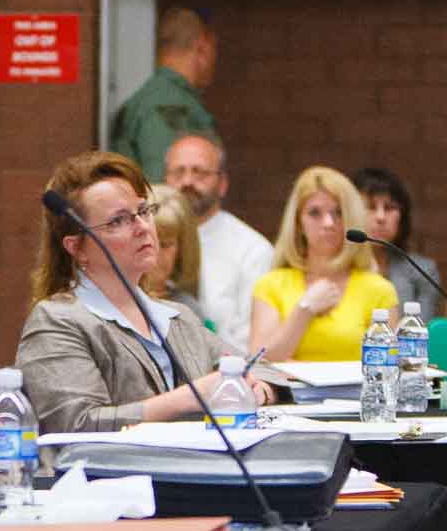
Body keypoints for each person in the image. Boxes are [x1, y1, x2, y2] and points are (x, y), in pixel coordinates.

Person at [16, 153, 270, 435]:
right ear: (76, 247)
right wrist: (190, 397)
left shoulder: (176, 317)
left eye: (143, 211)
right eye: (118, 221)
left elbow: (262, 370)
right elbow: (76, 425)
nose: (142, 227)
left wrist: (257, 393)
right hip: (104, 477)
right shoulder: (56, 321)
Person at [249, 166, 399, 362]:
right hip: (287, 393)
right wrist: (305, 309)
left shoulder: (379, 289)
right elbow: (259, 361)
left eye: (338, 212)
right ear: (298, 223)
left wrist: (300, 367)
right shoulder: (270, 285)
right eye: (314, 213)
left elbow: (388, 366)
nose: (328, 222)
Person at [163, 132, 272, 350]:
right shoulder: (144, 240)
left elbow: (253, 346)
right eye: (178, 172)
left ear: (222, 184)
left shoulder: (253, 250)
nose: (187, 181)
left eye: (199, 172)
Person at [109, 7, 219, 183]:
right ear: (202, 48)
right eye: (215, 49)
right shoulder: (167, 105)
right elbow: (165, 186)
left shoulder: (156, 99)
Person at [352, 166, 444, 316]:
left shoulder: (423, 271)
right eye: (370, 207)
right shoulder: (333, 270)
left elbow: (419, 334)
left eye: (389, 208)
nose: (380, 217)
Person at [140, 184, 208, 325]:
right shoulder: (114, 303)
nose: (156, 253)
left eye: (165, 244)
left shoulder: (189, 309)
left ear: (182, 249)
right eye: (148, 242)